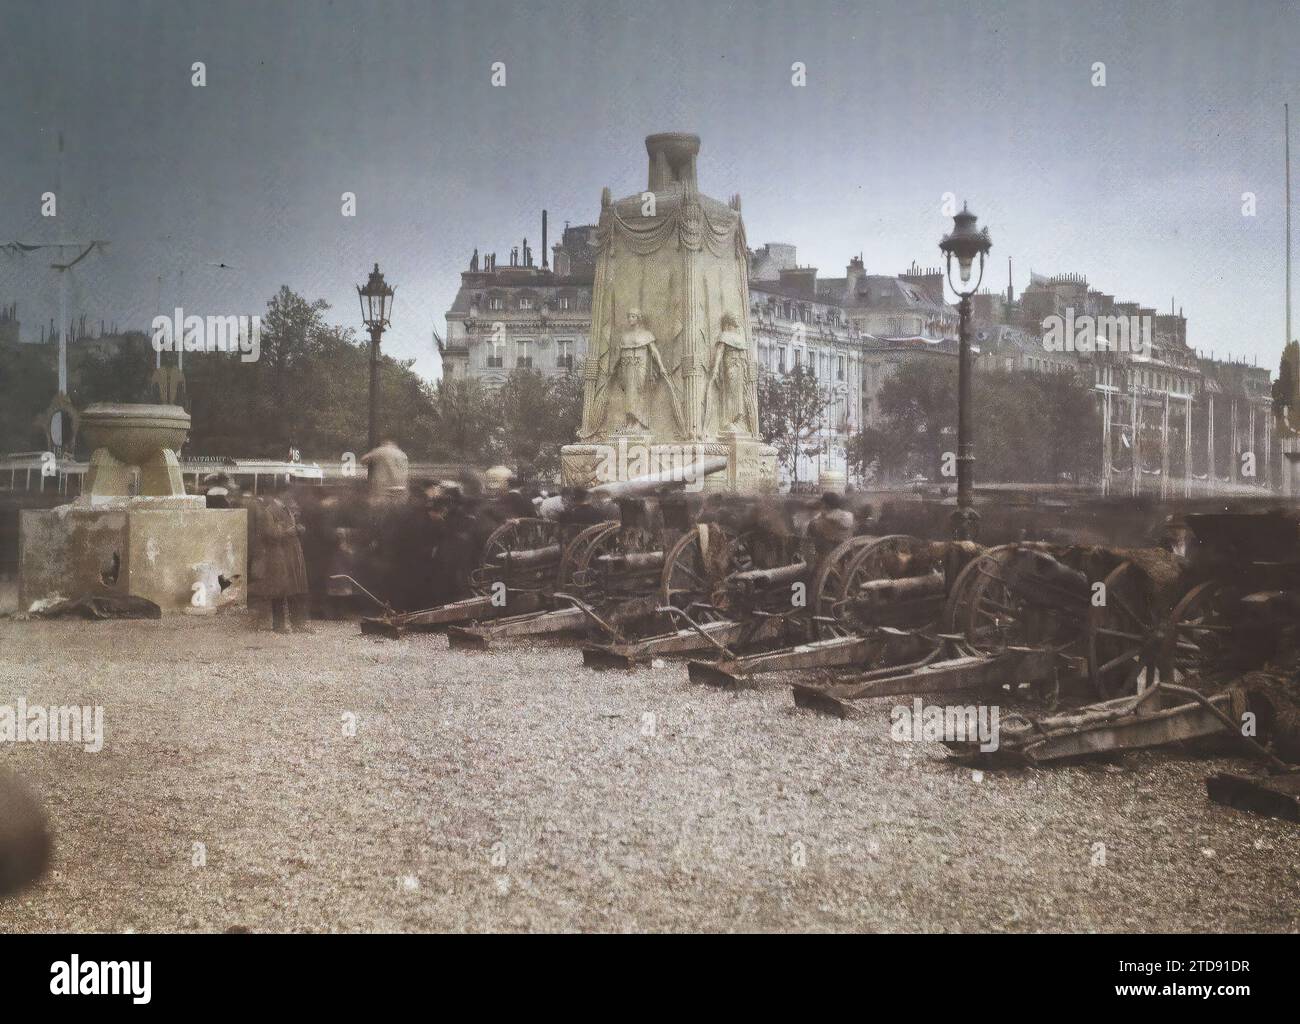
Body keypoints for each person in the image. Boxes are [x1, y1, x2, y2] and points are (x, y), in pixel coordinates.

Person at [231, 482, 312, 634]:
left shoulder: (286, 509)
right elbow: (270, 533)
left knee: (294, 590)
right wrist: (291, 530)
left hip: (290, 555)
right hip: (279, 556)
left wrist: (295, 528)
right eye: (289, 494)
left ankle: (296, 624)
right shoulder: (270, 511)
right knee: (280, 592)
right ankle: (279, 625)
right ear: (282, 494)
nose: (292, 497)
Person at [808, 491, 855, 558]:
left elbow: (813, 526)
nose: (822, 505)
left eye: (823, 503)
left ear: (826, 504)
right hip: (847, 548)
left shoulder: (826, 517)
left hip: (829, 550)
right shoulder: (847, 514)